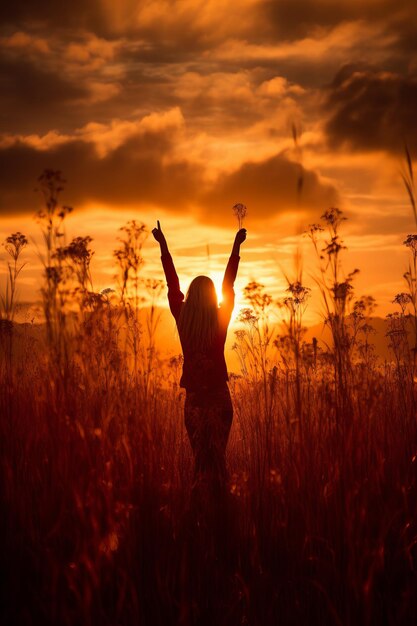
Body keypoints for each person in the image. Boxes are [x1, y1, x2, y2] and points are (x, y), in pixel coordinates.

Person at [152, 220, 247, 492]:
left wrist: (164, 246)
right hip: (219, 399)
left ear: (192, 296)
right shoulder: (220, 318)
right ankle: (223, 514)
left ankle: (198, 514)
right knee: (218, 462)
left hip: (194, 402)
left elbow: (172, 283)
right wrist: (235, 248)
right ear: (211, 296)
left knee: (200, 465)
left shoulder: (183, 317)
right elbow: (228, 285)